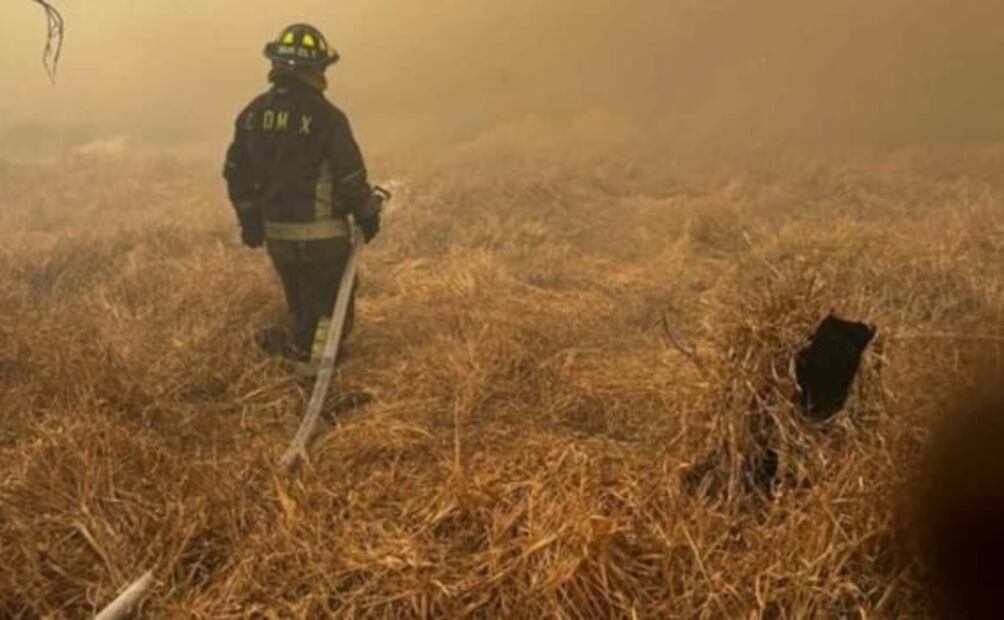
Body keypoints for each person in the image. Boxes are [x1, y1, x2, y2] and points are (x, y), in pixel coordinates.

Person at [223, 23, 382, 377]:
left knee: (299, 306)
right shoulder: (328, 118)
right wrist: (368, 213)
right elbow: (350, 178)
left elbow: (235, 171)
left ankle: (301, 366)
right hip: (324, 238)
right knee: (329, 312)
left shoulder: (252, 114)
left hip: (279, 237)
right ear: (316, 70)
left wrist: (250, 220)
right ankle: (319, 382)